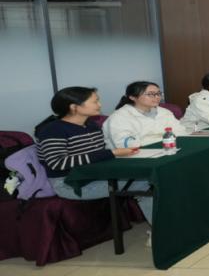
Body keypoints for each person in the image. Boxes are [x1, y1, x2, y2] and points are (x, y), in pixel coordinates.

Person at [35, 87, 154, 224]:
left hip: (95, 175)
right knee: (146, 184)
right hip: (70, 183)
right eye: (95, 101)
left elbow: (99, 155)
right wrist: (112, 153)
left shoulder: (92, 126)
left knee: (151, 179)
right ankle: (161, 232)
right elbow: (57, 163)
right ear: (74, 107)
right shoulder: (53, 130)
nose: (100, 105)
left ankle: (162, 228)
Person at [102, 81, 185, 149]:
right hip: (131, 157)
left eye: (159, 93)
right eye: (150, 94)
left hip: (165, 149)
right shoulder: (119, 117)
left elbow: (181, 131)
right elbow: (127, 145)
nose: (157, 97)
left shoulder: (164, 112)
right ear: (133, 97)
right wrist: (165, 139)